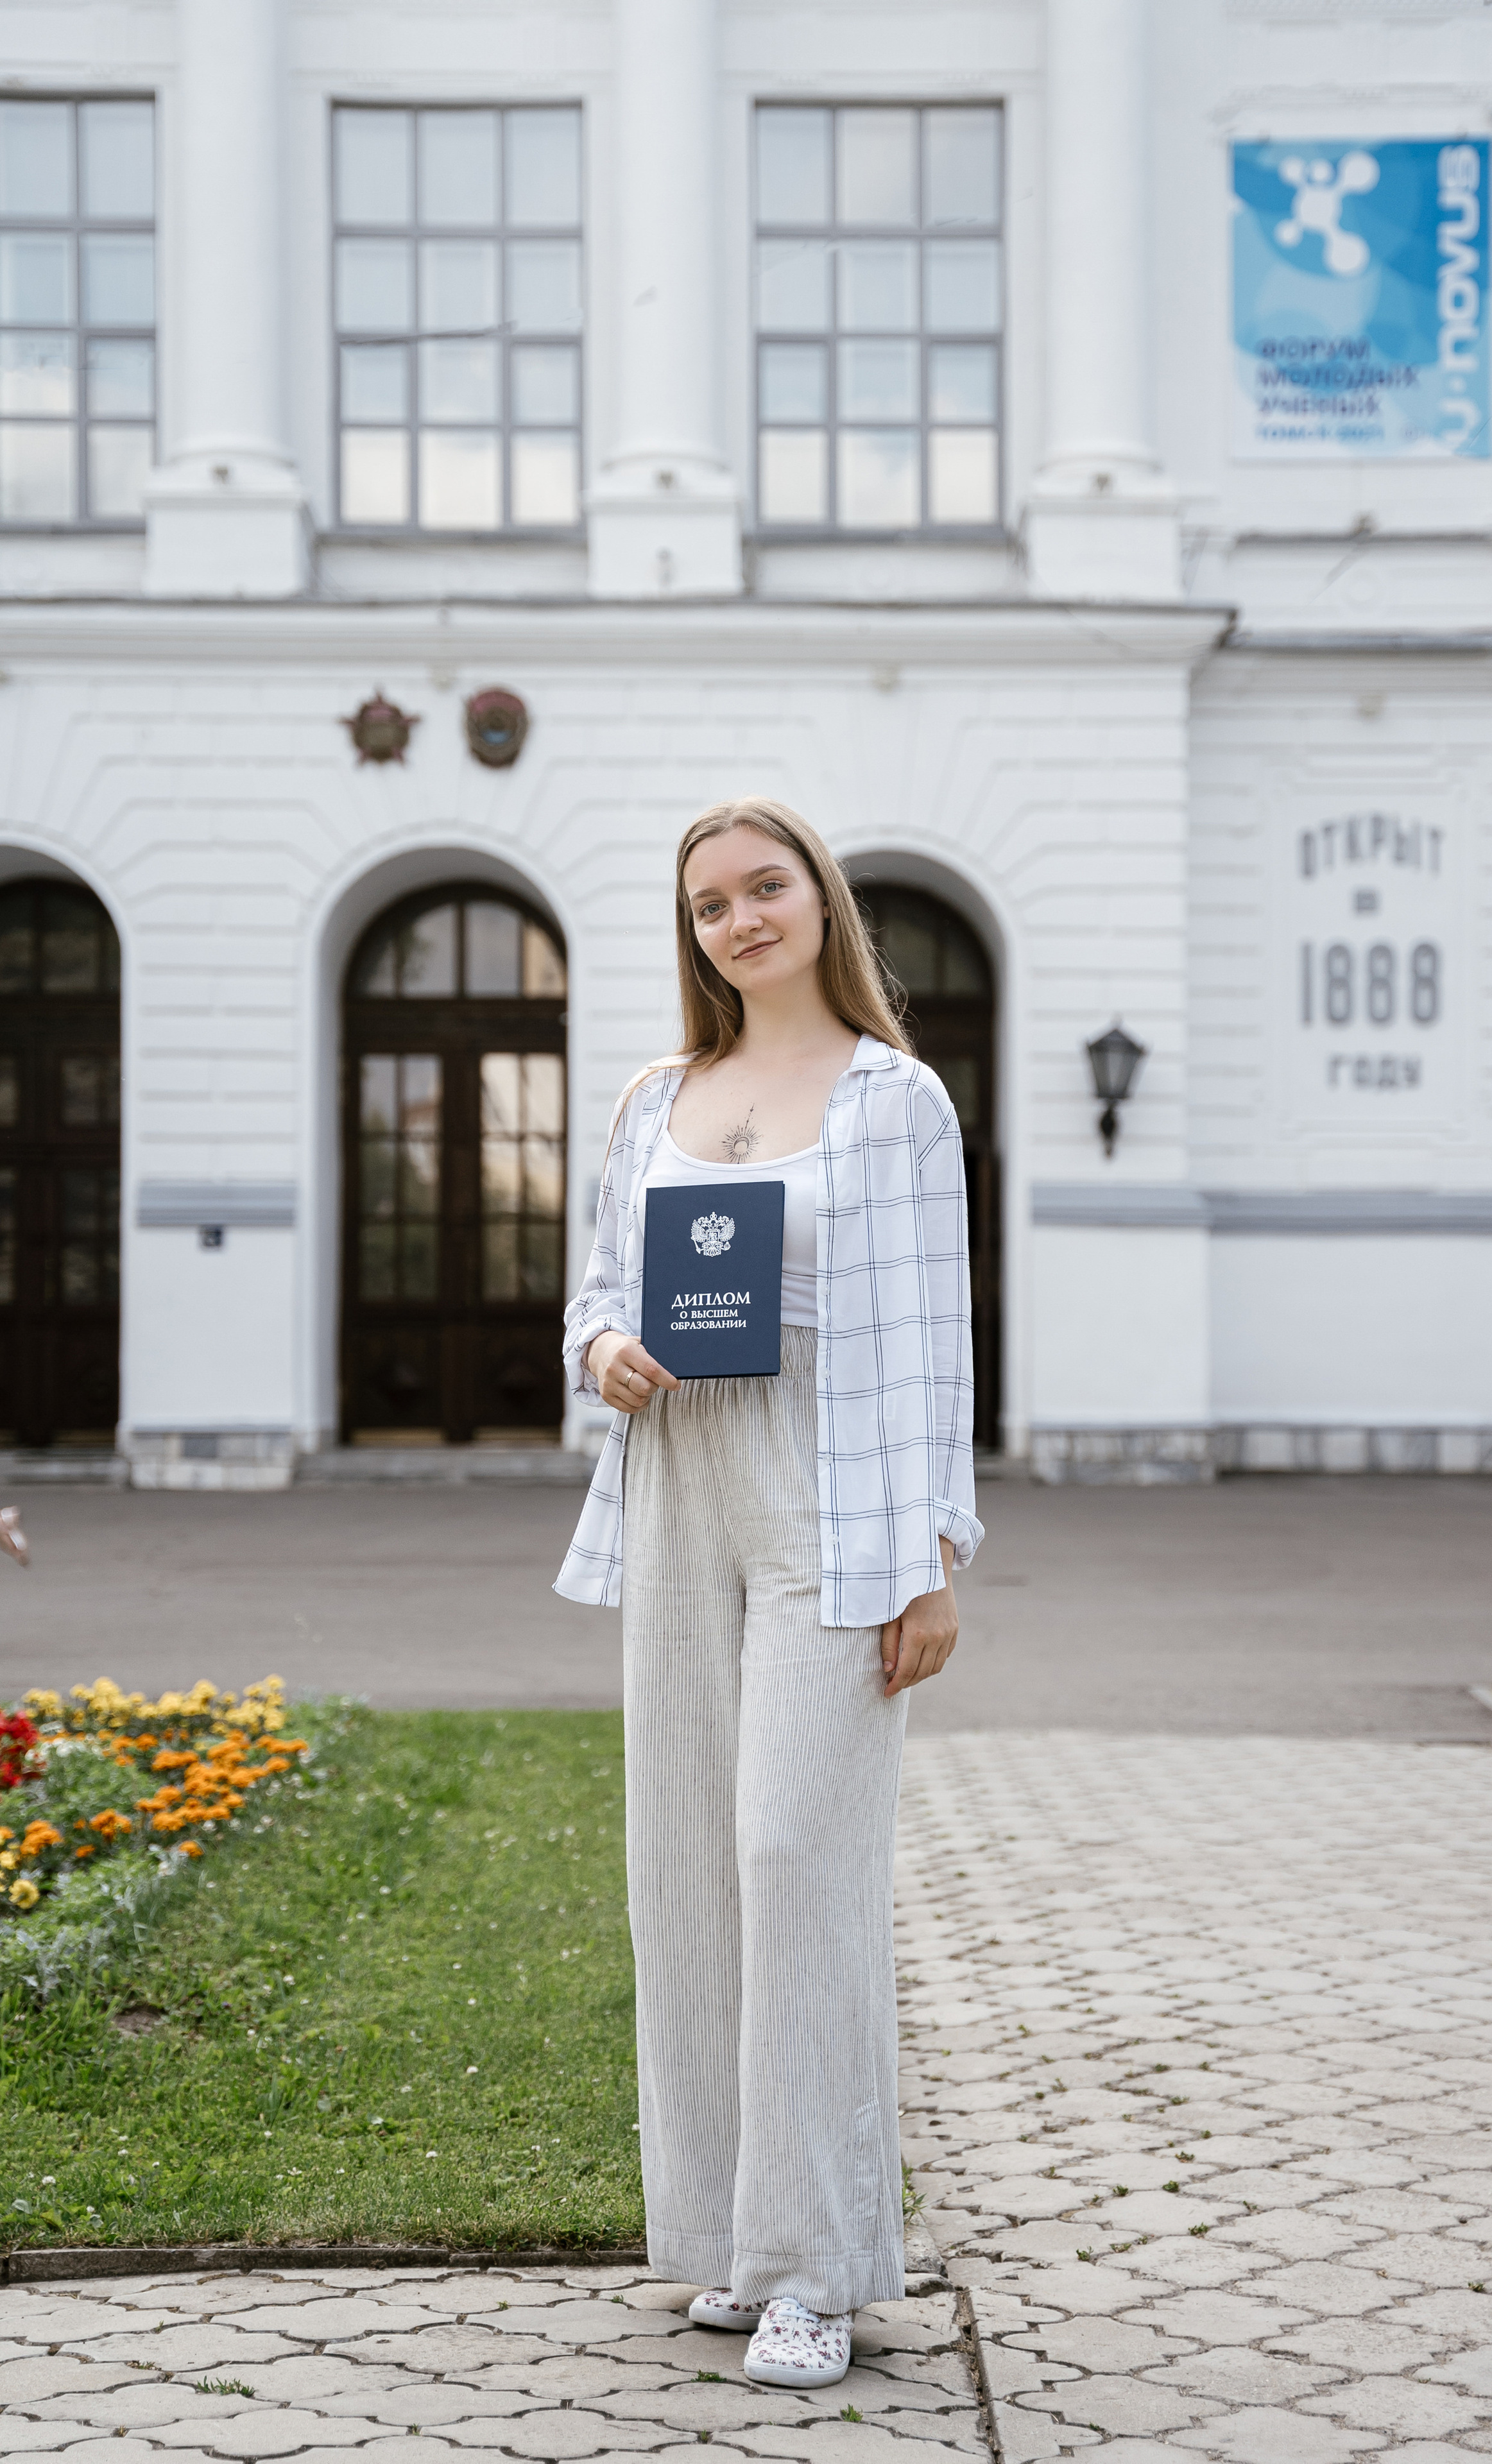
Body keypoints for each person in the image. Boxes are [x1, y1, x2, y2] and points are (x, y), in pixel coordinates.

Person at [556, 795, 982, 2390]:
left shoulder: (895, 1102)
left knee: (793, 1856)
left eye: (764, 887)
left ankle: (820, 2268)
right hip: (676, 1479)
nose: (738, 920)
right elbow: (593, 1296)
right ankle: (732, 2246)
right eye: (709, 905)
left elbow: (934, 1351)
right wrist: (603, 1353)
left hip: (823, 1491)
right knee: (684, 1869)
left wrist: (930, 1558)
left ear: (819, 899)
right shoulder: (657, 1095)